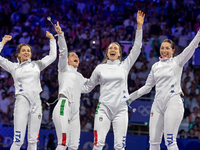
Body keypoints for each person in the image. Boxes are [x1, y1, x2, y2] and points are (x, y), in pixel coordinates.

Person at [126, 29, 200, 150]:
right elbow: (147, 88)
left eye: (167, 48)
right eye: (162, 48)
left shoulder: (178, 61)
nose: (164, 50)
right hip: (157, 105)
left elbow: (191, 47)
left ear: (172, 50)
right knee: (153, 142)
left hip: (173, 102)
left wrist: (198, 35)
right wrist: (129, 98)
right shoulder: (155, 66)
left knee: (170, 141)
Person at [82, 10, 145, 150]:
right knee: (98, 144)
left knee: (119, 146)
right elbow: (87, 87)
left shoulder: (124, 66)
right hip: (103, 108)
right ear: (107, 52)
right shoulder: (100, 68)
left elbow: (136, 49)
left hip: (121, 109)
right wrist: (72, 82)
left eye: (115, 48)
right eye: (110, 47)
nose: (112, 49)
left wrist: (139, 27)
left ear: (119, 54)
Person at [0, 31, 57, 150]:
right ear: (19, 55)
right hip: (22, 102)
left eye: (28, 50)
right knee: (18, 141)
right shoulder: (13, 66)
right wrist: (3, 42)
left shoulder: (37, 65)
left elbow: (52, 56)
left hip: (36, 102)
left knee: (33, 141)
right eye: (24, 50)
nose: (27, 52)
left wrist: (52, 39)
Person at [52, 22, 87, 150]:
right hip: (64, 105)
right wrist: (61, 35)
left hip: (75, 112)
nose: (75, 56)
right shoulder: (63, 69)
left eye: (77, 56)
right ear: (67, 60)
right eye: (72, 55)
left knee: (74, 146)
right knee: (63, 143)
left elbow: (89, 86)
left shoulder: (81, 77)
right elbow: (63, 52)